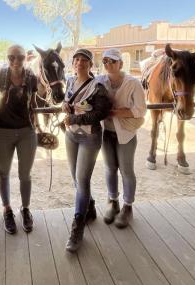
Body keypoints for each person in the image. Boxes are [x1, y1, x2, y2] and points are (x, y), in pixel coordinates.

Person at [63, 48, 112, 252]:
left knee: (82, 181)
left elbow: (101, 112)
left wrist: (74, 118)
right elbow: (68, 101)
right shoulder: (69, 81)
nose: (80, 63)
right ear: (73, 63)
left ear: (91, 65)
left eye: (84, 60)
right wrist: (65, 106)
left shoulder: (97, 86)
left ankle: (77, 228)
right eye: (77, 60)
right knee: (76, 178)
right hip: (71, 135)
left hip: (89, 137)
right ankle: (89, 208)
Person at [97, 48, 147, 228]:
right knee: (110, 168)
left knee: (126, 170)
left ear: (121, 63)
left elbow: (141, 110)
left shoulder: (133, 83)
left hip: (125, 134)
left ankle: (127, 205)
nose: (108, 65)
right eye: (105, 62)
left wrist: (115, 112)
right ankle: (113, 201)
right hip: (105, 133)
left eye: (112, 61)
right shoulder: (99, 81)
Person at [0, 44, 38, 234]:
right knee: (3, 172)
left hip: (26, 131)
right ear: (7, 58)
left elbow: (33, 102)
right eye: (11, 57)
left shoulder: (31, 77)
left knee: (25, 174)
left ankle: (25, 209)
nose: (15, 61)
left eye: (19, 57)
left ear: (25, 58)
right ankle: (7, 209)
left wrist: (38, 126)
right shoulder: (0, 75)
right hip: (3, 130)